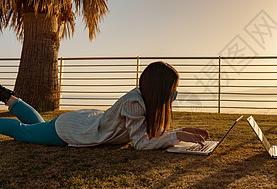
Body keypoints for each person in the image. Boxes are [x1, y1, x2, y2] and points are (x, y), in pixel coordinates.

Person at [0, 61, 209, 149]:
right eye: (173, 92)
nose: (174, 96)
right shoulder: (135, 102)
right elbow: (140, 143)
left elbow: (147, 135)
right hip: (74, 129)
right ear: (159, 91)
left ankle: (7, 97)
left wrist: (180, 131)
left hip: (86, 121)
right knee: (25, 133)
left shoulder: (143, 101)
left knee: (39, 126)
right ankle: (6, 96)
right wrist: (177, 136)